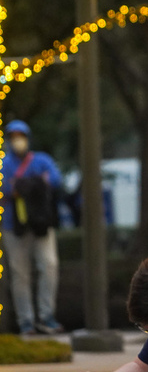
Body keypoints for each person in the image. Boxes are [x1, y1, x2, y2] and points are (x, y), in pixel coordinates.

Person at [0, 119, 64, 335]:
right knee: (20, 275)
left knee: (49, 266)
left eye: (21, 136)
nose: (18, 140)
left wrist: (23, 186)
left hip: (41, 225)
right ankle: (26, 322)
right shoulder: (4, 164)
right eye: (13, 137)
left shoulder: (41, 160)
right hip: (13, 227)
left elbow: (55, 180)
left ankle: (47, 317)